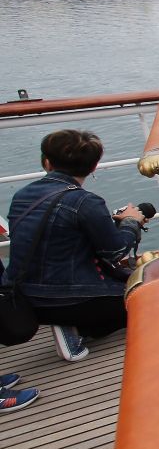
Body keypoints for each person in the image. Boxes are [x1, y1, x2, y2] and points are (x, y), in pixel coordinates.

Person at [3, 129, 148, 361]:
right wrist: (132, 222)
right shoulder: (85, 202)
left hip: (24, 297)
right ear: (93, 167)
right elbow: (116, 251)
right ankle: (74, 327)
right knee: (147, 300)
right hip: (71, 299)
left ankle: (69, 322)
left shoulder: (22, 195)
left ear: (47, 162)